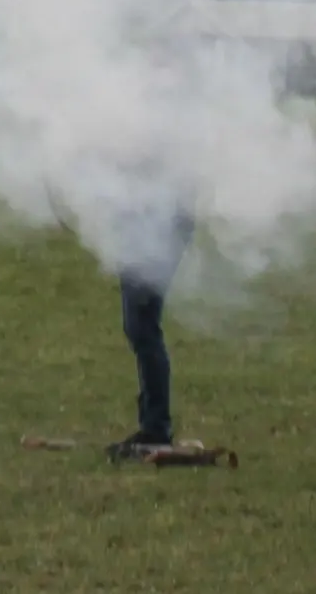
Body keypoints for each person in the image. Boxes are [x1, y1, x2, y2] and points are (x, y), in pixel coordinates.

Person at [104, 174, 198, 459]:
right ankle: (153, 424)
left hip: (160, 221)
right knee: (140, 326)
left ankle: (156, 427)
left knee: (142, 325)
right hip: (147, 221)